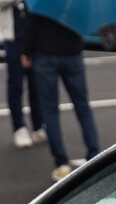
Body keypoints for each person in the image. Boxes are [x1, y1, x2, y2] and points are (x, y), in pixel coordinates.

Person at [21, 12, 100, 181]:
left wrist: (26, 51)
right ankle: (94, 155)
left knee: (50, 110)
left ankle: (61, 163)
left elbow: (32, 21)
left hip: (45, 53)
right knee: (83, 107)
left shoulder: (40, 3)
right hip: (72, 51)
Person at [0, 0, 45, 148]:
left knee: (35, 84)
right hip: (14, 38)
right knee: (16, 84)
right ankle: (19, 128)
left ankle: (38, 126)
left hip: (34, 35)